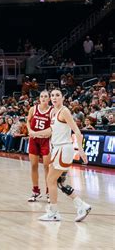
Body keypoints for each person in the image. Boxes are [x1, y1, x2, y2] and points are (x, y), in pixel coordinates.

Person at [31, 89, 91, 222]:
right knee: (59, 183)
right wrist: (36, 133)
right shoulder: (54, 112)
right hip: (57, 150)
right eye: (52, 95)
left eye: (57, 95)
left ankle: (54, 212)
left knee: (50, 180)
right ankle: (82, 205)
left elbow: (76, 131)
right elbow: (51, 130)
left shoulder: (64, 111)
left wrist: (81, 150)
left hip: (64, 149)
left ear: (63, 98)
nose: (54, 97)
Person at [26, 90, 52, 202]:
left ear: (49, 99)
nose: (43, 98)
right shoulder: (33, 109)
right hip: (34, 140)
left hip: (46, 140)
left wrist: (37, 133)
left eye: (46, 96)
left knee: (47, 166)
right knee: (33, 165)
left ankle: (49, 191)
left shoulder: (52, 111)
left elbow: (52, 129)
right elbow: (28, 121)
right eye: (42, 96)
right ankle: (36, 191)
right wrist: (30, 130)